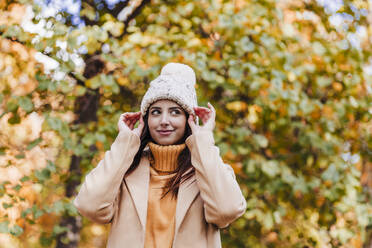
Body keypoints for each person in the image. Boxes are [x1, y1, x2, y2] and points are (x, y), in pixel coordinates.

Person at [73, 63, 246, 248]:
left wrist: (202, 141)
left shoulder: (208, 171)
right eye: (156, 112)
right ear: (145, 120)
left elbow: (227, 211)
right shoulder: (126, 171)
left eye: (175, 112)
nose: (164, 121)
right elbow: (88, 206)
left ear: (189, 120)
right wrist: (125, 143)